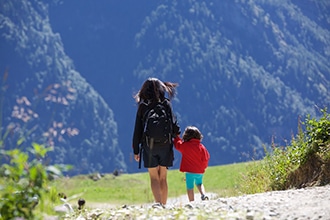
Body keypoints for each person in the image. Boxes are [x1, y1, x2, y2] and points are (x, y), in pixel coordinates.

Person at [132, 77, 180, 207]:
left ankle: (158, 205)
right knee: (163, 177)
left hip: (149, 145)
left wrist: (136, 150)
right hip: (165, 144)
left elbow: (137, 130)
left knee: (154, 177)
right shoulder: (166, 104)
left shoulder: (143, 106)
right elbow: (174, 125)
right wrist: (176, 137)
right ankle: (164, 205)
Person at [173, 126, 210, 202]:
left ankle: (192, 201)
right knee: (199, 183)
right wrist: (204, 167)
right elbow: (206, 157)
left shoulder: (185, 145)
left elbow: (177, 145)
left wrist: (176, 137)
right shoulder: (201, 147)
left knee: (190, 186)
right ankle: (203, 194)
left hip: (189, 171)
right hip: (200, 171)